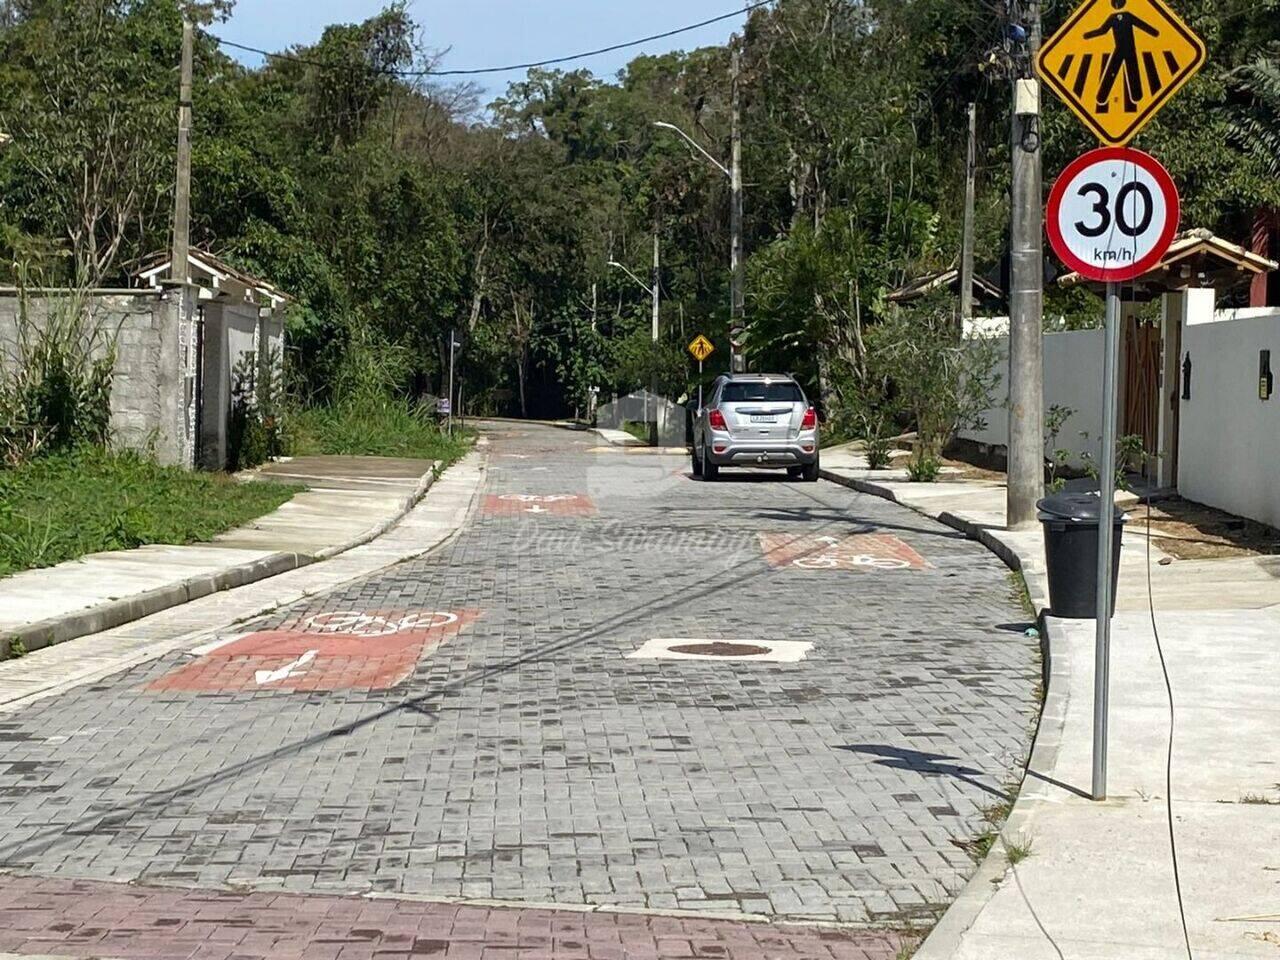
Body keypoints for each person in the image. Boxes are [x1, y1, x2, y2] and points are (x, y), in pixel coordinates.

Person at [1085, 0, 1160, 113]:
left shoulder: (1115, 17)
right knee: (1128, 71)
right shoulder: (1123, 16)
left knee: (1120, 71)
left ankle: (1105, 97)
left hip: (1122, 49)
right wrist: (1154, 32)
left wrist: (1087, 35)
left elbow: (1102, 31)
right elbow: (1142, 25)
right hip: (1127, 49)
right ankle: (1108, 97)